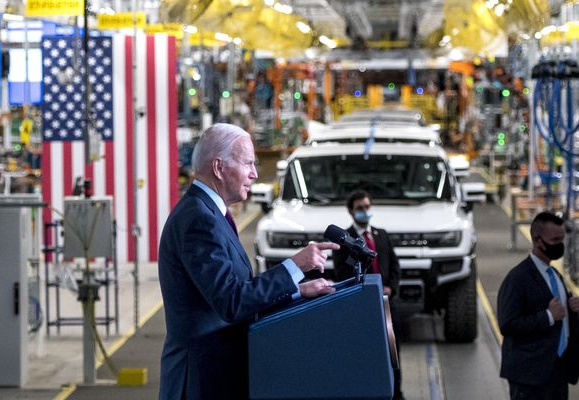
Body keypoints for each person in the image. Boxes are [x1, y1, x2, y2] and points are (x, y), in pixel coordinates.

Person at [159, 123, 339, 400]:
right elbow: (231, 301)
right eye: (248, 164)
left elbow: (238, 289)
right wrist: (295, 266)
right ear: (219, 168)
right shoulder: (199, 220)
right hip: (201, 381)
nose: (255, 174)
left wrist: (297, 291)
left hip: (215, 376)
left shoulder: (209, 213)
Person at [497, 211, 579, 400]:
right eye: (554, 240)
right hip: (530, 375)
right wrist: (548, 316)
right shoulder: (517, 278)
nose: (560, 245)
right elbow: (507, 324)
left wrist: (573, 311)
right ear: (537, 241)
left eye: (562, 239)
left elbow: (563, 318)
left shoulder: (555, 276)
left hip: (558, 369)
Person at [331, 189, 403, 399]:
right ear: (351, 212)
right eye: (359, 208)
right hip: (363, 308)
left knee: (394, 352)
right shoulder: (344, 240)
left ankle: (397, 393)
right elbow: (342, 272)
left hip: (387, 304)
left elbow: (395, 265)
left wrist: (392, 288)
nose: (364, 211)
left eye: (367, 207)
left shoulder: (382, 235)